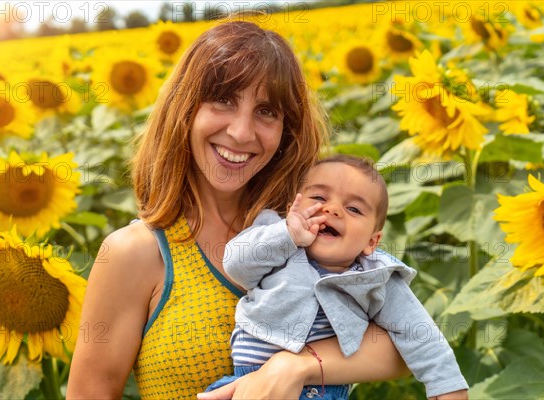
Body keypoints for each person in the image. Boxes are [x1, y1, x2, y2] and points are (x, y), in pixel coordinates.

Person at [67, 21, 413, 400]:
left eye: (266, 111)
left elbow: (409, 339)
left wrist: (294, 366)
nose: (242, 132)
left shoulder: (315, 227)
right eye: (224, 100)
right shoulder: (133, 254)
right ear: (184, 109)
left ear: (287, 131)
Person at [204, 155, 469, 400]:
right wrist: (287, 233)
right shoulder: (277, 242)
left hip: (323, 391)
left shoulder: (374, 277)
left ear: (371, 241)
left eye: (354, 209)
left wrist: (448, 387)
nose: (332, 209)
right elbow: (236, 265)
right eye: (318, 197)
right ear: (291, 209)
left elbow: (418, 330)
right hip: (247, 384)